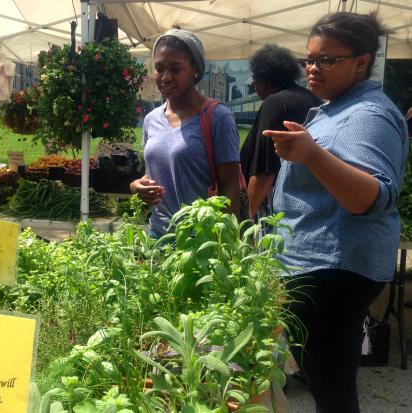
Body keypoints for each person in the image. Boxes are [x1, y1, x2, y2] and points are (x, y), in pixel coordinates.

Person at [262, 12, 408, 413]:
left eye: (327, 60)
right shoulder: (339, 107)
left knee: (332, 388)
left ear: (361, 62)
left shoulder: (369, 116)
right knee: (326, 382)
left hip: (333, 269)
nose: (313, 67)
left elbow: (371, 197)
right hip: (320, 264)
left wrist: (311, 153)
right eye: (308, 59)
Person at [130, 28, 241, 238]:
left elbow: (230, 188)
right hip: (159, 236)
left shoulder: (218, 117)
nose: (165, 77)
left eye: (175, 69)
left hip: (201, 241)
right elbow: (156, 171)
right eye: (159, 68)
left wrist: (225, 243)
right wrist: (137, 186)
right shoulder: (152, 119)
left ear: (195, 70)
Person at [240, 44, 321, 219]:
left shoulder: (274, 103)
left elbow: (264, 171)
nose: (253, 82)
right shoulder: (311, 99)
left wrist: (245, 221)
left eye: (255, 77)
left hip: (273, 211)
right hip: (305, 207)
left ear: (265, 79)